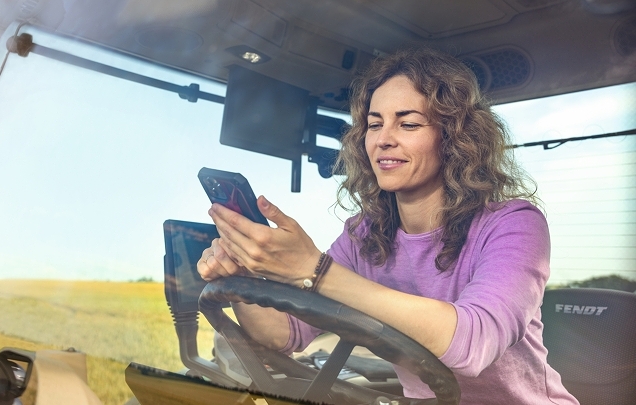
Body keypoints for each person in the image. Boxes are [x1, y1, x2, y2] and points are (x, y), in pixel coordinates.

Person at [197, 48, 579, 404]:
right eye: (374, 124)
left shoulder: (513, 224)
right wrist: (242, 281)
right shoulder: (363, 235)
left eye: (408, 124)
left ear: (454, 138)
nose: (383, 140)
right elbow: (287, 334)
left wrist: (314, 270)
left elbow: (472, 344)